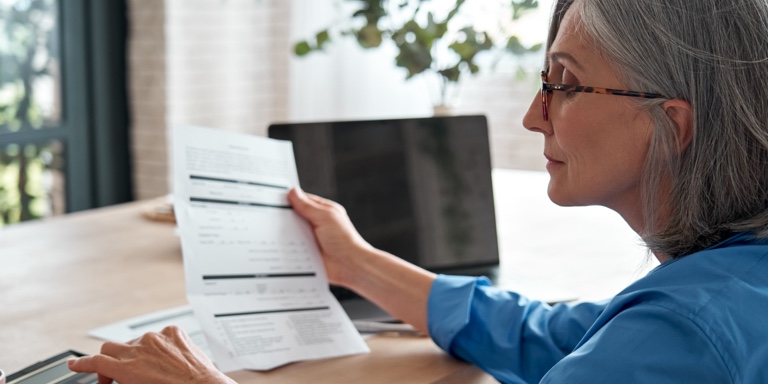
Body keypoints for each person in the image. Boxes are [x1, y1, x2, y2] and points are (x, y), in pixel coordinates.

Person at [68, 0, 768, 382]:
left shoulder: (686, 336)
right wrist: (354, 261)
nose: (533, 114)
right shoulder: (724, 289)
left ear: (671, 126)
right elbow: (547, 337)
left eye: (565, 83)